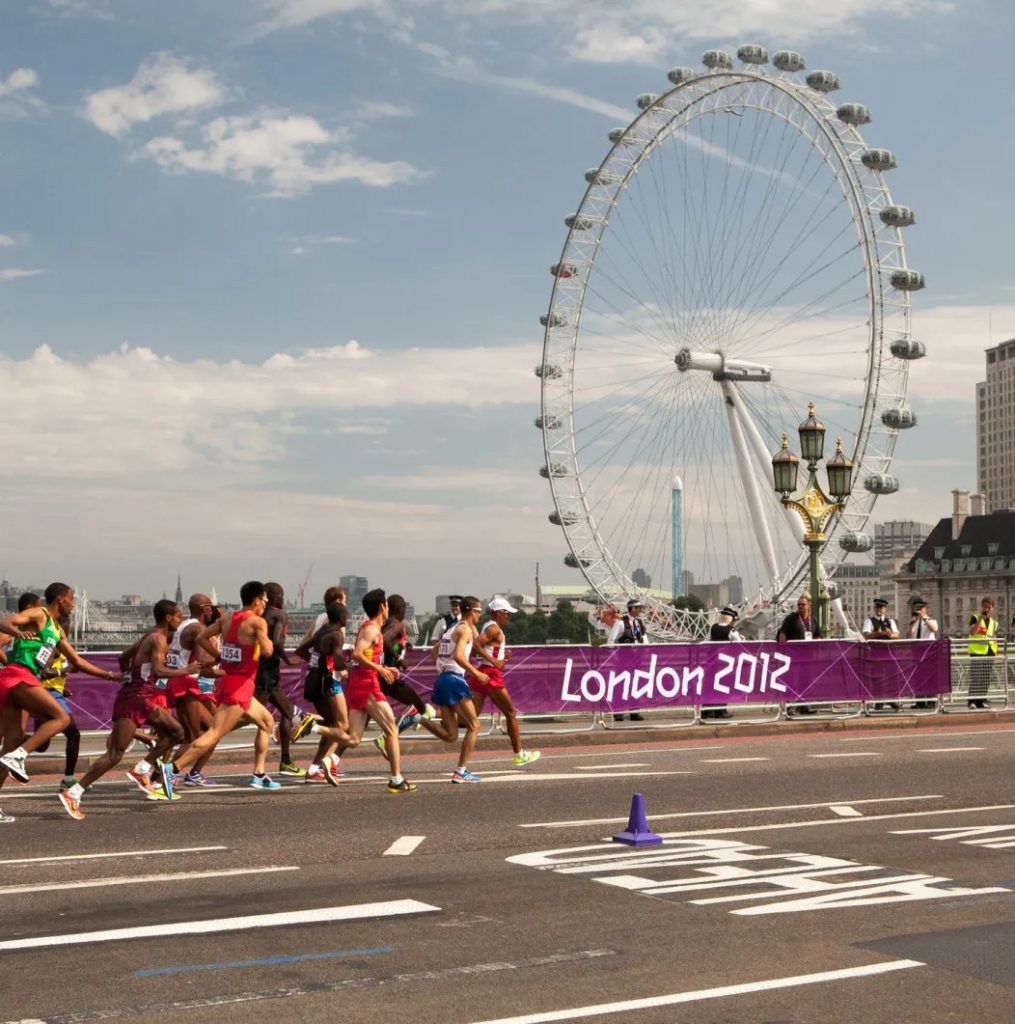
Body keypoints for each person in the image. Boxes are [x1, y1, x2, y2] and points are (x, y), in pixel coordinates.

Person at [58, 599, 197, 820]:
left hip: (142, 698)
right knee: (115, 754)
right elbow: (159, 670)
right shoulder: (159, 639)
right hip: (135, 699)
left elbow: (123, 657)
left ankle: (141, 769)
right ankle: (73, 792)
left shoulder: (149, 635)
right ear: (168, 617)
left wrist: (129, 678)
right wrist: (186, 670)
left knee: (177, 732)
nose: (181, 620)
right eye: (179, 616)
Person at [159, 581, 289, 796]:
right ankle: (172, 769)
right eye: (264, 600)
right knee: (214, 733)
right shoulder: (257, 622)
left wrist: (219, 655)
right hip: (239, 686)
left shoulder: (228, 618)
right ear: (257, 600)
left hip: (233, 682)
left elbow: (201, 637)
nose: (265, 604)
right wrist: (266, 636)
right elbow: (268, 650)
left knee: (266, 722)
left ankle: (259, 773)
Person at [0, 583, 122, 790]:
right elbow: (5, 622)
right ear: (60, 599)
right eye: (71, 599)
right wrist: (17, 633)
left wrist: (110, 675)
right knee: (62, 718)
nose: (73, 605)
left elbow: (77, 661)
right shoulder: (40, 614)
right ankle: (19, 755)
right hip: (19, 676)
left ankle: (14, 756)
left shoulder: (57, 631)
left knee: (12, 742)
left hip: (21, 680)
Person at [342, 588, 415, 794]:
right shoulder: (372, 630)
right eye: (386, 604)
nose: (388, 607)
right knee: (392, 730)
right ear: (382, 607)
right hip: (367, 684)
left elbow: (367, 656)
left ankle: (313, 727)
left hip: (363, 682)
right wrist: (381, 669)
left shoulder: (373, 629)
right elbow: (357, 654)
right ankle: (396, 779)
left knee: (354, 739)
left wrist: (386, 667)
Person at [418, 596, 488, 783]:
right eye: (479, 611)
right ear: (471, 611)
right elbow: (458, 656)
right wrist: (476, 673)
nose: (480, 615)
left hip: (442, 680)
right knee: (474, 725)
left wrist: (443, 665)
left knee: (451, 735)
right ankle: (461, 771)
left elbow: (434, 652)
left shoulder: (451, 628)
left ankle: (416, 718)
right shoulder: (465, 629)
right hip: (454, 680)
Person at [472, 597, 540, 765]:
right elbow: (476, 645)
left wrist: (504, 658)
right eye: (507, 613)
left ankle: (426, 714)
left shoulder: (488, 627)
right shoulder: (494, 629)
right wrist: (494, 661)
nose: (509, 617)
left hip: (483, 673)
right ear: (499, 613)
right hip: (490, 674)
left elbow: (484, 651)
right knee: (510, 713)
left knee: (469, 718)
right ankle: (519, 754)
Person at [254, 582, 312, 776]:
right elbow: (278, 641)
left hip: (264, 671)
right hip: (267, 673)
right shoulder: (279, 615)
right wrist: (287, 659)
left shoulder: (259, 615)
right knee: (245, 717)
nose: (283, 599)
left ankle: (286, 760)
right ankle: (206, 738)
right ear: (274, 597)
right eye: (281, 596)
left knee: (288, 712)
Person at [295, 601, 354, 784]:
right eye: (345, 615)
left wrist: (316, 663)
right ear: (340, 617)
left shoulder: (322, 631)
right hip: (324, 681)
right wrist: (351, 666)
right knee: (340, 726)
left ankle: (314, 769)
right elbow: (338, 662)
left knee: (332, 724)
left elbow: (300, 649)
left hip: (313, 678)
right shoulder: (337, 634)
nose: (348, 617)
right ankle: (309, 724)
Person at [166, 593, 219, 786]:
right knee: (192, 737)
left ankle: (193, 773)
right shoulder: (197, 628)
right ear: (204, 608)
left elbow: (200, 666)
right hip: (184, 683)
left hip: (183, 682)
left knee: (213, 731)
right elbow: (204, 662)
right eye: (210, 606)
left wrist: (225, 669)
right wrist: (225, 659)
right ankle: (164, 775)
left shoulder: (185, 625)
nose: (212, 610)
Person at [777, 594, 822, 715]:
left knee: (806, 681)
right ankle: (791, 706)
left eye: (803, 604)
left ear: (809, 605)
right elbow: (782, 634)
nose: (800, 606)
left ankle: (804, 705)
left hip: (807, 657)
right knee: (792, 681)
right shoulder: (791, 619)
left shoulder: (813, 620)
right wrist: (783, 650)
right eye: (799, 604)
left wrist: (817, 648)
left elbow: (817, 635)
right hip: (793, 656)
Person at [607, 598, 646, 721]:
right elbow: (611, 641)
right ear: (633, 609)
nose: (640, 610)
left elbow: (644, 640)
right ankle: (618, 712)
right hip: (623, 659)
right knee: (621, 685)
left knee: (635, 685)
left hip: (636, 659)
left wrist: (644, 652)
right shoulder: (621, 623)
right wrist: (614, 657)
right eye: (639, 608)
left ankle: (634, 712)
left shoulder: (639, 623)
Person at [862, 597, 900, 710]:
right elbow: (866, 635)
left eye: (881, 607)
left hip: (889, 653)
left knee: (891, 677)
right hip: (876, 653)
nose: (879, 609)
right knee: (877, 677)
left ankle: (891, 699)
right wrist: (879, 633)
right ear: (874, 608)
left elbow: (896, 635)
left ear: (885, 609)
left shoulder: (890, 621)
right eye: (877, 607)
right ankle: (879, 700)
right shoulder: (869, 621)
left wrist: (889, 634)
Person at [703, 606, 740, 719]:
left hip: (711, 661)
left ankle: (707, 711)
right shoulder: (731, 630)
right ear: (730, 619)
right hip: (724, 663)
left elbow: (706, 641)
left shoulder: (713, 627)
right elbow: (739, 642)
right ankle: (721, 710)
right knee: (723, 686)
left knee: (710, 685)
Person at [967, 596, 997, 709]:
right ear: (981, 607)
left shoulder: (993, 622)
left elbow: (993, 637)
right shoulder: (975, 617)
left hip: (989, 652)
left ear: (992, 608)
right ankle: (972, 701)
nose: (987, 609)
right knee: (976, 677)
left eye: (989, 607)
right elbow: (972, 631)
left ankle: (982, 700)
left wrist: (995, 651)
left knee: (986, 678)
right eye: (985, 607)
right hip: (977, 652)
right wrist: (980, 620)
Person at [908, 598, 939, 709]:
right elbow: (908, 635)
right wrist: (911, 624)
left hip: (928, 651)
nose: (919, 610)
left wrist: (924, 618)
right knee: (918, 677)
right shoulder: (914, 623)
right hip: (917, 652)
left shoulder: (931, 620)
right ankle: (919, 701)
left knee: (930, 677)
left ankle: (931, 701)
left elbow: (933, 629)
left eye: (921, 608)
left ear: (925, 609)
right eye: (917, 608)